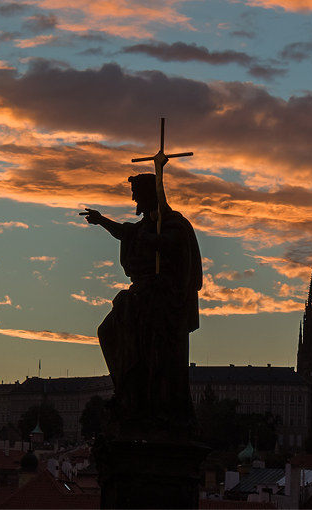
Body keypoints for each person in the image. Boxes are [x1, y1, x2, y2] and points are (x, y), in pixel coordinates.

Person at [82, 173, 201, 431]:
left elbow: (174, 247)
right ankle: (126, 390)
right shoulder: (146, 225)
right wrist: (101, 220)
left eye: (136, 194)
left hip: (162, 302)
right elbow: (125, 232)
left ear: (150, 195)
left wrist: (149, 240)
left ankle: (145, 398)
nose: (134, 198)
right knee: (107, 331)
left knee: (152, 351)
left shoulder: (174, 224)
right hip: (141, 297)